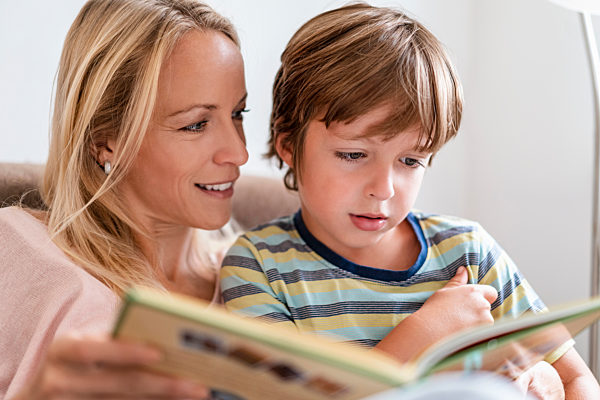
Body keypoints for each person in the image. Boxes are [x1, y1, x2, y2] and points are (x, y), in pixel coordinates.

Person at [220, 3, 600, 398]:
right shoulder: (257, 266)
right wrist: (422, 335)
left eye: (411, 160)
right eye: (353, 154)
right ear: (288, 145)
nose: (383, 189)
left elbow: (577, 379)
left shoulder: (468, 253)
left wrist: (542, 383)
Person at [0, 0, 248, 398]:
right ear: (105, 140)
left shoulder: (257, 277)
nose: (238, 152)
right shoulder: (19, 250)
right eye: (195, 124)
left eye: (239, 113)